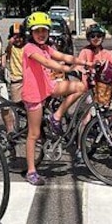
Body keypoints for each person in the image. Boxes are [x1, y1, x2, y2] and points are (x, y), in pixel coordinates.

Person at [22, 12, 91, 186]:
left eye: (44, 31)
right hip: (34, 94)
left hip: (49, 87)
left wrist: (84, 63)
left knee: (81, 87)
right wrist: (68, 70)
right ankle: (31, 171)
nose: (41, 34)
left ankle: (56, 116)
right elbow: (48, 63)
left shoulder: (46, 48)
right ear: (31, 32)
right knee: (34, 134)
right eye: (37, 31)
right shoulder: (30, 48)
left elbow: (62, 56)